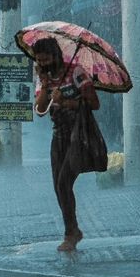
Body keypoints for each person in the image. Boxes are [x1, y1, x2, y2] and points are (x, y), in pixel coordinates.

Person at [33, 37, 100, 253]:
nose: (42, 64)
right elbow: (40, 110)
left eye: (46, 59)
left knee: (64, 183)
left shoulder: (76, 73)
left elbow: (93, 103)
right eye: (39, 60)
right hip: (58, 135)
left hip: (78, 135)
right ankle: (73, 230)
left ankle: (71, 233)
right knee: (58, 187)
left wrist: (66, 101)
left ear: (55, 55)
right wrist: (44, 85)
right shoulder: (45, 78)